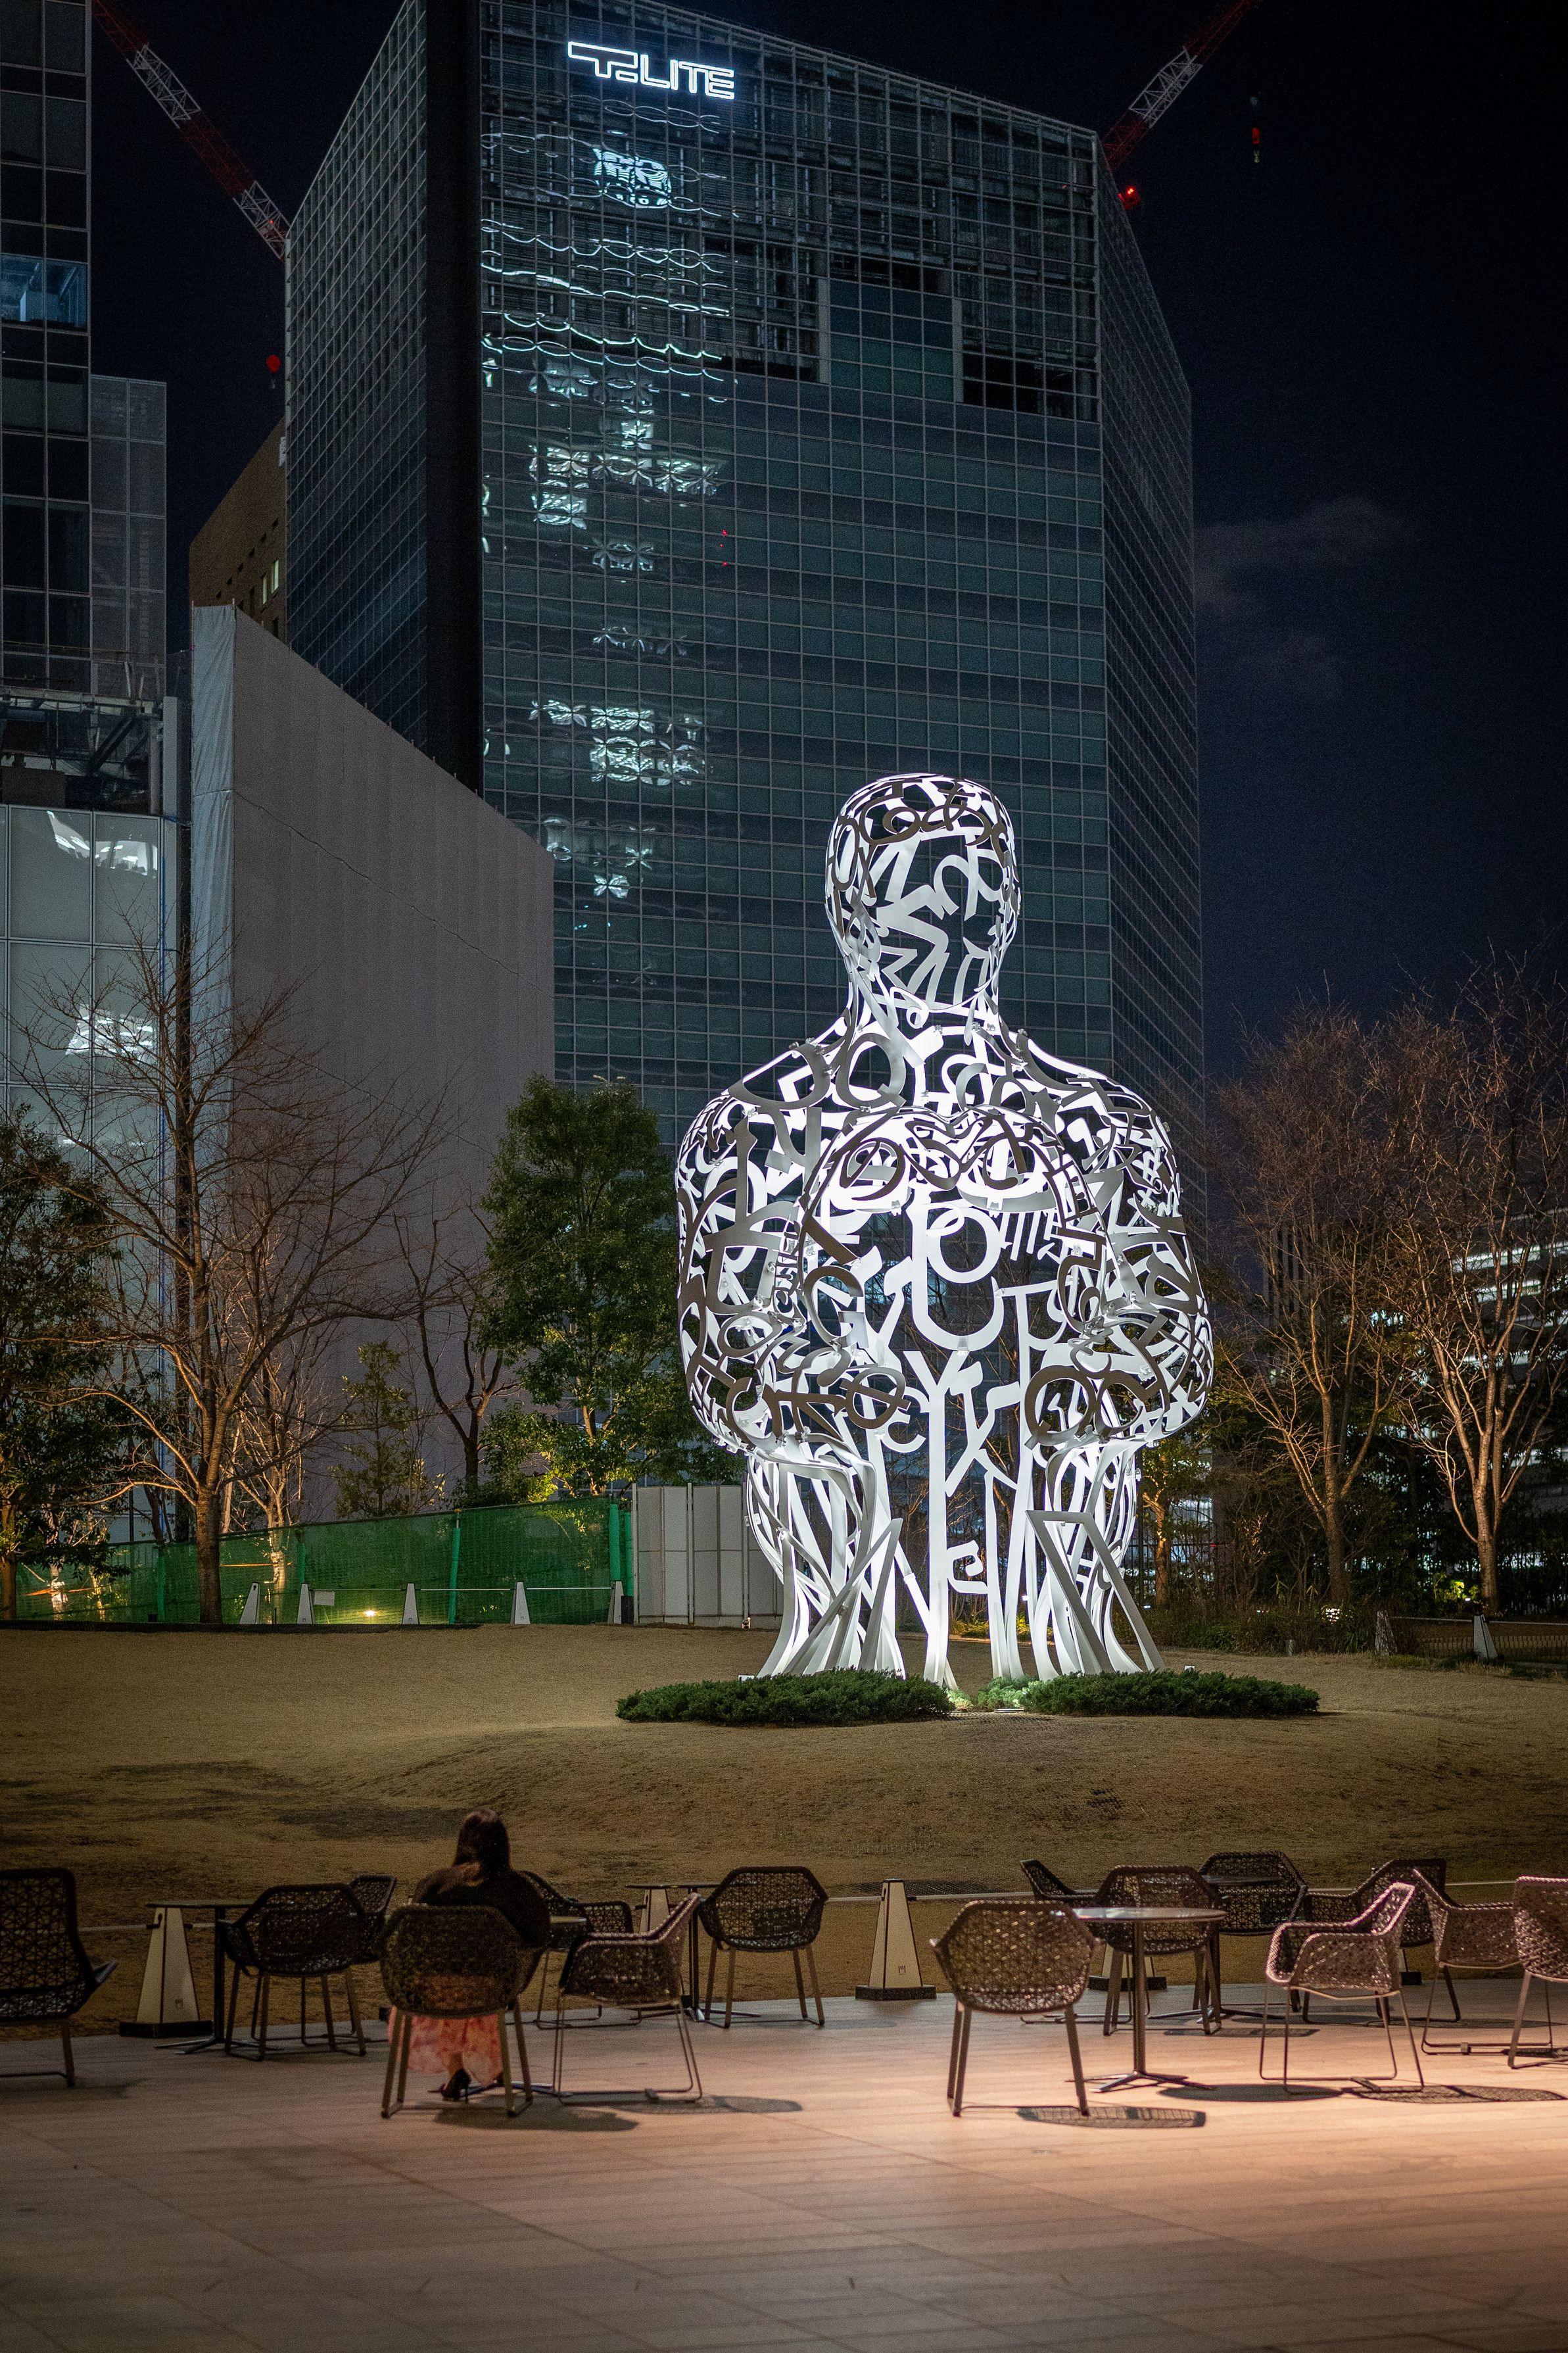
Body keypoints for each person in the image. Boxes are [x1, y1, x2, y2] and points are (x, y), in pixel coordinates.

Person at [398, 1809, 551, 2101]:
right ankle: (496, 2070)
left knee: (452, 1984)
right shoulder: (516, 1888)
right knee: (480, 1984)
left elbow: (411, 1933)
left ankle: (456, 2070)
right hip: (494, 1988)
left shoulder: (436, 1883)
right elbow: (540, 1934)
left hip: (436, 1990)